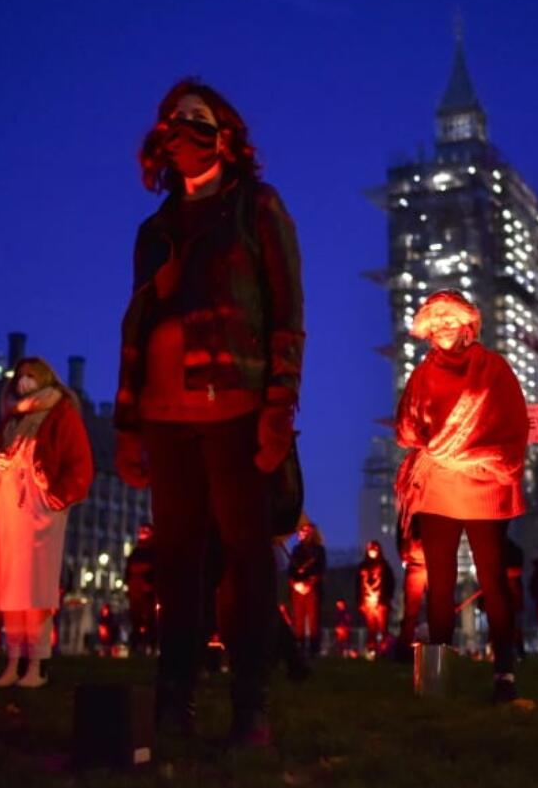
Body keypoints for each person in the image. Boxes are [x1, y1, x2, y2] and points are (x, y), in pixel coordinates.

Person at [111, 77, 305, 746]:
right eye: (171, 121)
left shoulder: (256, 207)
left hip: (235, 405)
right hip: (165, 412)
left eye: (196, 119)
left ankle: (252, 703)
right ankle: (176, 697)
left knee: (247, 558)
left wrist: (278, 404)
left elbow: (286, 314)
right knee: (178, 560)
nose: (181, 127)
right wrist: (127, 422)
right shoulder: (155, 229)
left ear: (224, 134)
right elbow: (134, 325)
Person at [394, 290, 529, 703]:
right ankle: (436, 675)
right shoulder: (421, 375)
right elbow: (405, 428)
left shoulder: (494, 369)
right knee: (440, 581)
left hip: (484, 488)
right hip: (438, 489)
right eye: (435, 321)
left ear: (467, 325)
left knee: (493, 579)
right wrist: (432, 443)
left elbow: (513, 427)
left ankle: (504, 671)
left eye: (450, 319)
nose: (443, 327)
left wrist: (468, 453)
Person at [0, 356, 94, 688]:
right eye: (19, 376)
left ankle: (36, 665)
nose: (23, 381)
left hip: (40, 512)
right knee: (11, 588)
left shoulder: (61, 415)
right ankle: (12, 663)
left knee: (35, 590)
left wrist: (58, 496)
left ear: (46, 379)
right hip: (8, 509)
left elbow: (80, 464)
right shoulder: (12, 419)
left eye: (30, 375)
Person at [288, 522, 326, 657]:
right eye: (301, 530)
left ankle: (314, 650)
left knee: (313, 619)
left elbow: (320, 570)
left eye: (306, 530)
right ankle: (300, 648)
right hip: (297, 591)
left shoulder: (318, 550)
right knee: (298, 620)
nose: (302, 532)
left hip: (312, 590)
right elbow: (291, 572)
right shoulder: (295, 550)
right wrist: (296, 584)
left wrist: (309, 583)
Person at [355, 540, 395, 655]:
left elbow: (391, 583)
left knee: (383, 628)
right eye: (370, 548)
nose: (372, 551)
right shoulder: (362, 567)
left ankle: (384, 650)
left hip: (381, 602)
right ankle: (372, 650)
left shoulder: (385, 566)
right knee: (371, 628)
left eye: (375, 548)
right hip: (367, 603)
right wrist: (359, 601)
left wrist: (387, 598)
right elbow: (358, 585)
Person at [124, 521, 157, 656]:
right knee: (135, 619)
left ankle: (151, 645)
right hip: (135, 591)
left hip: (147, 591)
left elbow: (155, 570)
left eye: (146, 531)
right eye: (141, 530)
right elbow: (127, 571)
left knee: (150, 619)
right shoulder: (135, 552)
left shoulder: (154, 552)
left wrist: (150, 583)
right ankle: (136, 646)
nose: (142, 533)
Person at [395, 527, 427, 662]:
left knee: (436, 609)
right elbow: (400, 535)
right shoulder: (406, 514)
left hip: (428, 562)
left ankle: (437, 651)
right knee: (410, 613)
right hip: (415, 563)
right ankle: (405, 651)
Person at [504, 536, 526, 658]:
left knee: (516, 626)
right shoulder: (513, 550)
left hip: (513, 598)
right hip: (507, 598)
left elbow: (518, 570)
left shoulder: (513, 551)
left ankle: (518, 653)